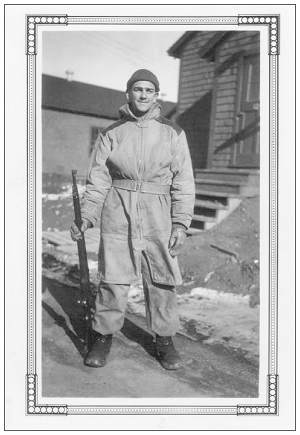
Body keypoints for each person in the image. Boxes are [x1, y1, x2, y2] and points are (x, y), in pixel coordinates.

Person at [70, 69, 195, 370]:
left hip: (158, 212)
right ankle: (103, 336)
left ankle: (164, 340)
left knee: (162, 278)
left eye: (148, 90)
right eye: (137, 89)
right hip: (118, 209)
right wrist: (87, 217)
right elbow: (98, 180)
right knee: (113, 278)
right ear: (128, 93)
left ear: (156, 95)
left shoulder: (173, 132)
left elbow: (184, 181)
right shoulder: (112, 132)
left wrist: (180, 223)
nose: (142, 95)